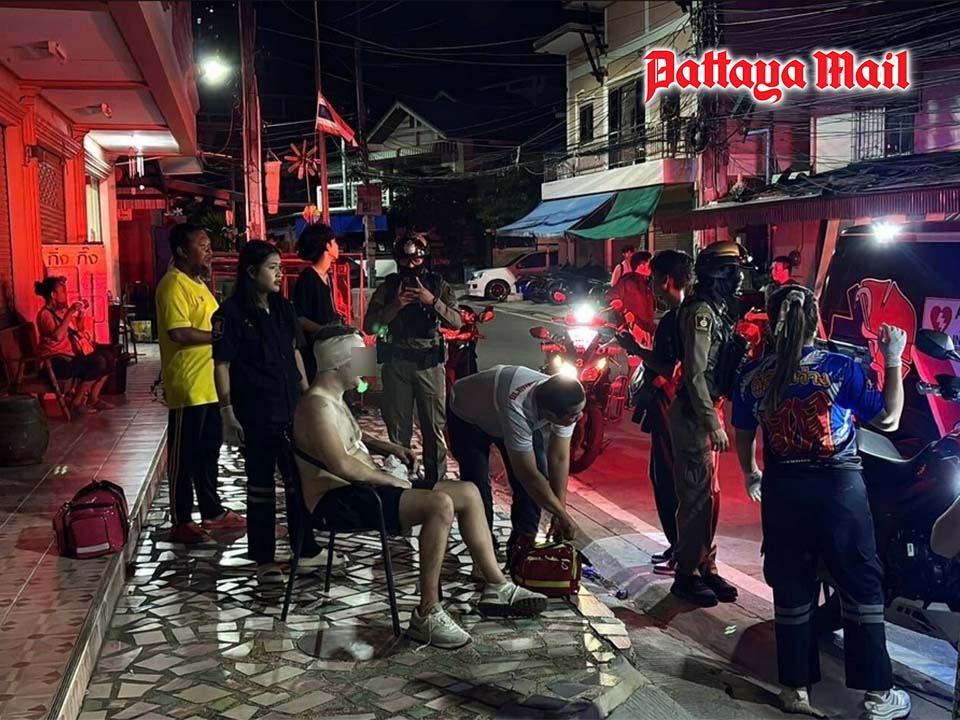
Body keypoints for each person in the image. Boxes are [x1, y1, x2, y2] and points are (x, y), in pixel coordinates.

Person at [293, 328, 548, 649]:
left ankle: (497, 585)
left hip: (362, 490)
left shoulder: (332, 399)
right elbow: (342, 464)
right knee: (438, 504)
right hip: (338, 501)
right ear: (339, 363)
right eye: (359, 358)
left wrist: (387, 447)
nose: (366, 365)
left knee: (468, 492)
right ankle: (427, 612)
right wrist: (390, 480)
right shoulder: (317, 406)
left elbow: (349, 438)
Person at [733, 285, 910, 720]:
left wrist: (752, 473)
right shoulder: (840, 368)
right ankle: (877, 695)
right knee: (861, 583)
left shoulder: (752, 376)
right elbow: (889, 419)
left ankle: (795, 688)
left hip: (783, 491)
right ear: (816, 322)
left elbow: (743, 433)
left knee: (792, 585)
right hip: (838, 491)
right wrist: (893, 358)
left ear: (771, 323)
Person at [213, 240, 331, 583]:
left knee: (299, 480)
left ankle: (304, 547)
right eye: (273, 268)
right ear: (252, 272)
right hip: (256, 411)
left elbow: (294, 353)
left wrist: (308, 395)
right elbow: (222, 364)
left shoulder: (282, 307)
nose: (280, 274)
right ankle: (264, 558)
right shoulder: (230, 314)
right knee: (261, 486)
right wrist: (227, 411)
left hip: (290, 407)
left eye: (280, 267)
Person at [669, 240, 749, 607]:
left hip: (707, 411)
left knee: (709, 497)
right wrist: (711, 423)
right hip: (695, 416)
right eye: (734, 271)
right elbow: (695, 374)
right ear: (719, 273)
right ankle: (686, 574)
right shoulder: (701, 312)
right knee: (696, 498)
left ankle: (704, 564)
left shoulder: (718, 309)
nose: (738, 278)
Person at [156, 223, 245, 544]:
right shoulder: (172, 285)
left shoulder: (199, 285)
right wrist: (220, 338)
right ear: (182, 250)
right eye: (202, 245)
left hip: (209, 385)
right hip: (188, 386)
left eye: (209, 245)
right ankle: (181, 519)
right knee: (183, 457)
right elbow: (178, 332)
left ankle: (212, 510)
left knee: (208, 453)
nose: (209, 251)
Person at [447, 365, 583, 564]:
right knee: (477, 487)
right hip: (468, 416)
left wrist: (559, 511)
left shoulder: (566, 398)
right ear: (550, 415)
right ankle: (483, 554)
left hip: (501, 411)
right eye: (574, 415)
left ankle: (522, 548)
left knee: (537, 481)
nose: (579, 417)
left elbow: (559, 457)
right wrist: (563, 516)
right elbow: (527, 475)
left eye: (580, 411)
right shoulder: (518, 407)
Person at [616, 250, 694, 572]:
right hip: (676, 404)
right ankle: (678, 547)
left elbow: (670, 366)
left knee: (668, 478)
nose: (651, 287)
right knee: (663, 475)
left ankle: (682, 551)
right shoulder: (689, 315)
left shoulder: (678, 319)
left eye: (654, 280)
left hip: (671, 404)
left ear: (667, 280)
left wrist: (635, 349)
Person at [363, 233, 461, 486]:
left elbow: (456, 322)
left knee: (434, 429)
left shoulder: (438, 285)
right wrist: (395, 306)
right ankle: (403, 483)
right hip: (397, 364)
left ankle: (436, 485)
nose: (411, 265)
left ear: (425, 258)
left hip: (429, 365)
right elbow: (369, 326)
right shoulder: (388, 288)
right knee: (398, 431)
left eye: (416, 260)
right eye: (406, 261)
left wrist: (432, 301)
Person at [34, 276, 115, 415]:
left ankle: (93, 398)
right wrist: (70, 312)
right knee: (98, 362)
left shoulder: (62, 311)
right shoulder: (45, 314)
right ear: (53, 295)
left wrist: (81, 312)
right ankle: (76, 403)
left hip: (70, 357)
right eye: (63, 292)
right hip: (55, 362)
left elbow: (79, 328)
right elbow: (58, 336)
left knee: (109, 356)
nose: (65, 295)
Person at [292, 223, 343, 383]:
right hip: (318, 347)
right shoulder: (308, 278)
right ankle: (360, 387)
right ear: (327, 246)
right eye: (334, 242)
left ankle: (362, 388)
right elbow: (299, 318)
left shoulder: (327, 276)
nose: (338, 246)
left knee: (360, 344)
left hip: (330, 341)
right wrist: (324, 330)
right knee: (357, 346)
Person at [608, 250, 656, 338]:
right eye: (650, 264)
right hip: (631, 330)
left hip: (647, 331)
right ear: (642, 265)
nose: (652, 267)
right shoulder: (627, 281)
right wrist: (625, 312)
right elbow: (612, 297)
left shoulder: (649, 283)